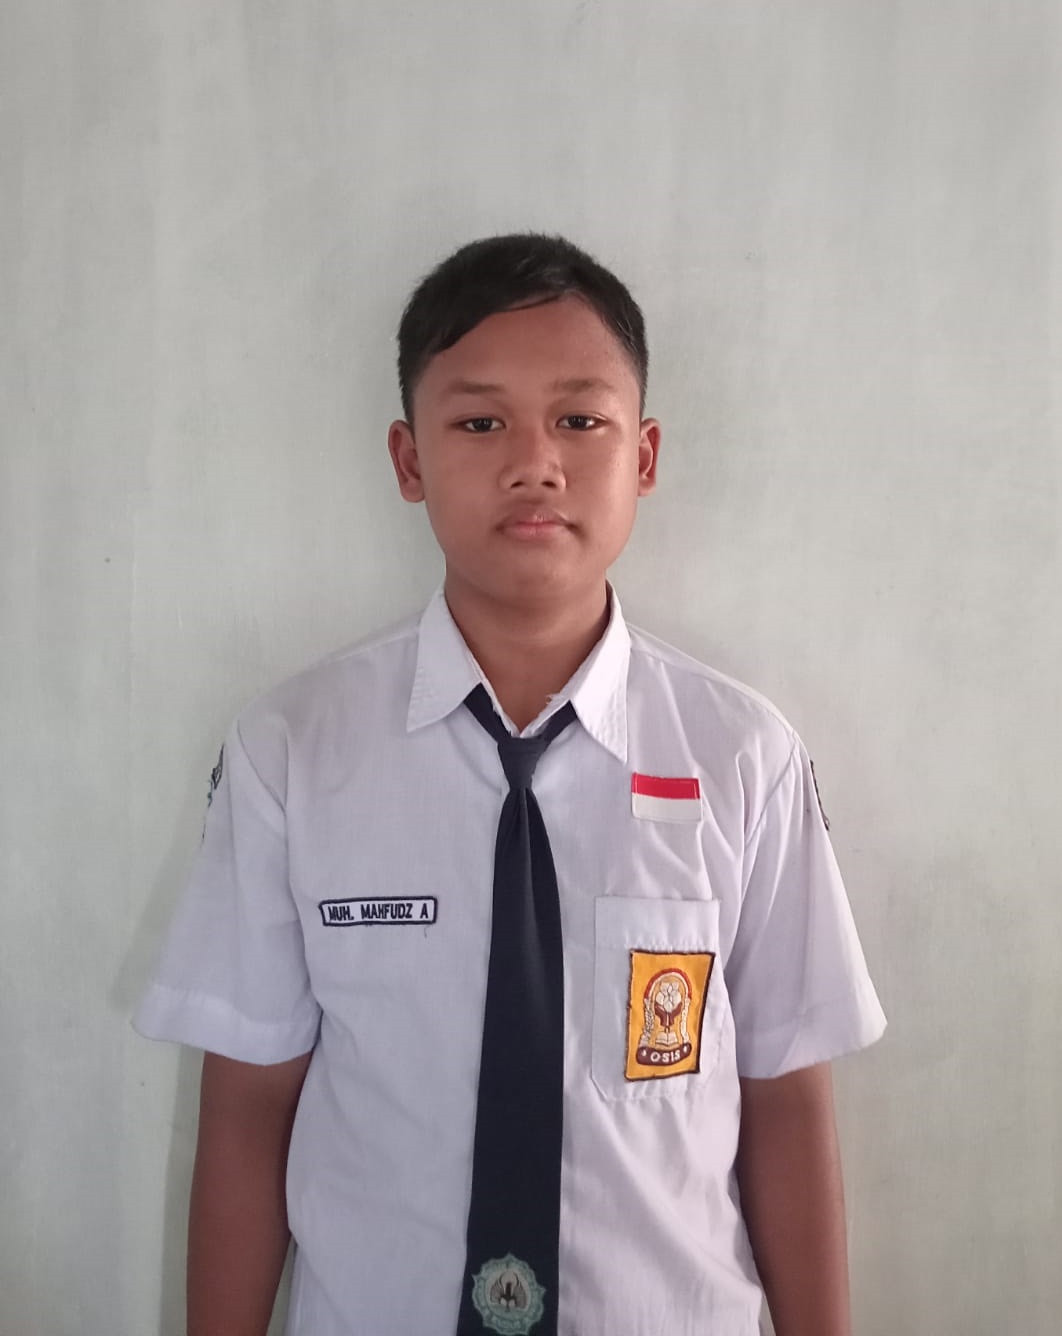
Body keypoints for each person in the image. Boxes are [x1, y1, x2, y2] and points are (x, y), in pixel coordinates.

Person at [134, 232, 886, 1336]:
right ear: (408, 461)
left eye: (580, 420)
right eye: (481, 423)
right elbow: (248, 1111)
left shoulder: (743, 759)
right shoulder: (292, 752)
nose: (535, 462)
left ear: (644, 456)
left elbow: (784, 1105)